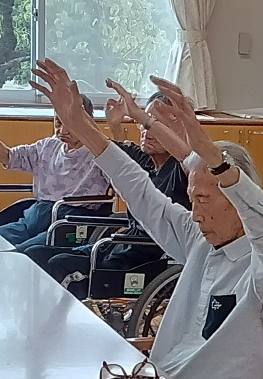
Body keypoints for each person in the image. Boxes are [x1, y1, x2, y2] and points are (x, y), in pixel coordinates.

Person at [31, 59, 263, 379]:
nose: (195, 212)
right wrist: (80, 125)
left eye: (204, 199)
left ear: (237, 199)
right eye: (192, 198)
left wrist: (214, 159)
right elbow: (140, 189)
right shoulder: (200, 240)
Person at [24, 90, 191, 299]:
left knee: (60, 265)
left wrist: (184, 126)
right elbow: (103, 146)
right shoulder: (144, 159)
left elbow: (189, 155)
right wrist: (80, 113)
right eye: (144, 123)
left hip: (146, 257)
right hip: (123, 244)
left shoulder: (181, 170)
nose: (147, 131)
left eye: (157, 125)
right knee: (33, 255)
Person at [0, 95, 111, 251]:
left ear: (87, 122)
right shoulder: (49, 145)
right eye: (58, 122)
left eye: (70, 124)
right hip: (35, 217)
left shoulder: (100, 152)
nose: (63, 131)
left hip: (71, 222)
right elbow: (11, 156)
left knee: (21, 253)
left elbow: (121, 178)